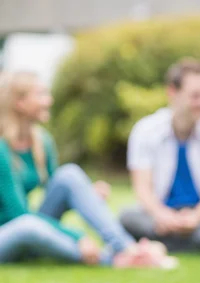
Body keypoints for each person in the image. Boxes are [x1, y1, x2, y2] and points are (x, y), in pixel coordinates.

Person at [0, 71, 174, 268]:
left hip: (28, 226)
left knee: (69, 174)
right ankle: (113, 260)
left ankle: (126, 248)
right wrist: (78, 236)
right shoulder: (1, 150)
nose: (49, 100)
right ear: (20, 103)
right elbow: (19, 216)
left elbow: (58, 189)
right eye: (40, 95)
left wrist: (87, 194)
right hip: (8, 234)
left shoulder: (41, 142)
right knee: (29, 226)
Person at [119, 58, 200, 253]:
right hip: (161, 216)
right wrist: (162, 216)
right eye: (196, 96)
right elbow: (142, 189)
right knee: (127, 216)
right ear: (173, 92)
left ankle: (169, 245)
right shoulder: (145, 130)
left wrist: (195, 217)